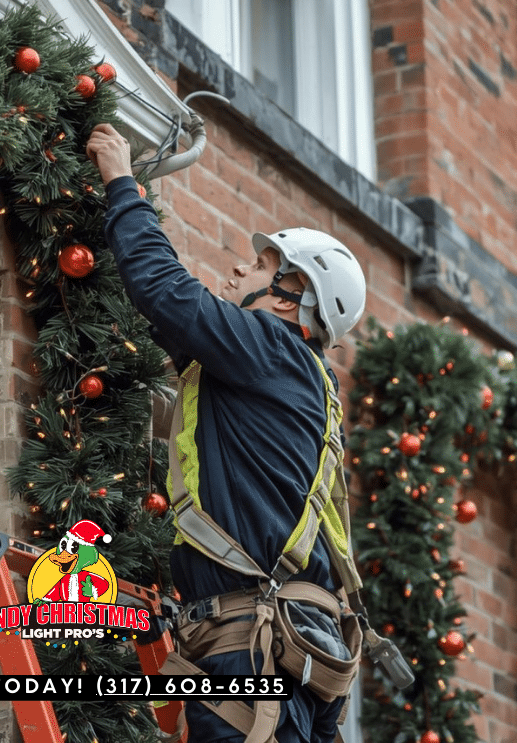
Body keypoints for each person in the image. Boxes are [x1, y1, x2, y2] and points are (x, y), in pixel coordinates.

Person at [86, 123, 367, 743]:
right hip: (300, 650)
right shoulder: (304, 382)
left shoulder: (270, 348)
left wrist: (120, 182)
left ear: (290, 301)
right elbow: (180, 327)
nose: (241, 267)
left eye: (262, 265)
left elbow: (166, 294)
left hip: (253, 650)